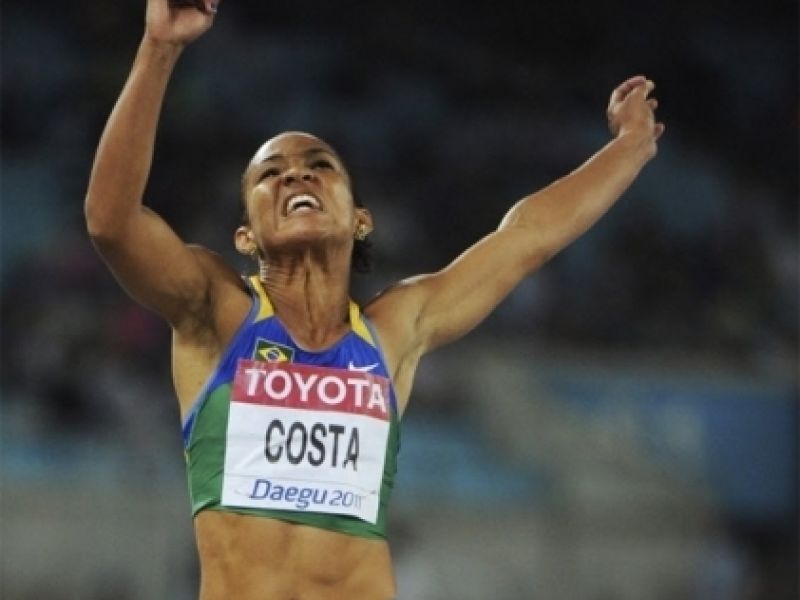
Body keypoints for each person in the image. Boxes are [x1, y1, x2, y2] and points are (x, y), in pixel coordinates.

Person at [84, 1, 664, 598]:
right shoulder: (217, 311)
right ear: (245, 236)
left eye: (320, 166)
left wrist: (631, 147)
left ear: (360, 219)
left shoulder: (395, 329)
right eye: (270, 173)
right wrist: (160, 47)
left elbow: (526, 237)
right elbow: (111, 223)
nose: (296, 176)